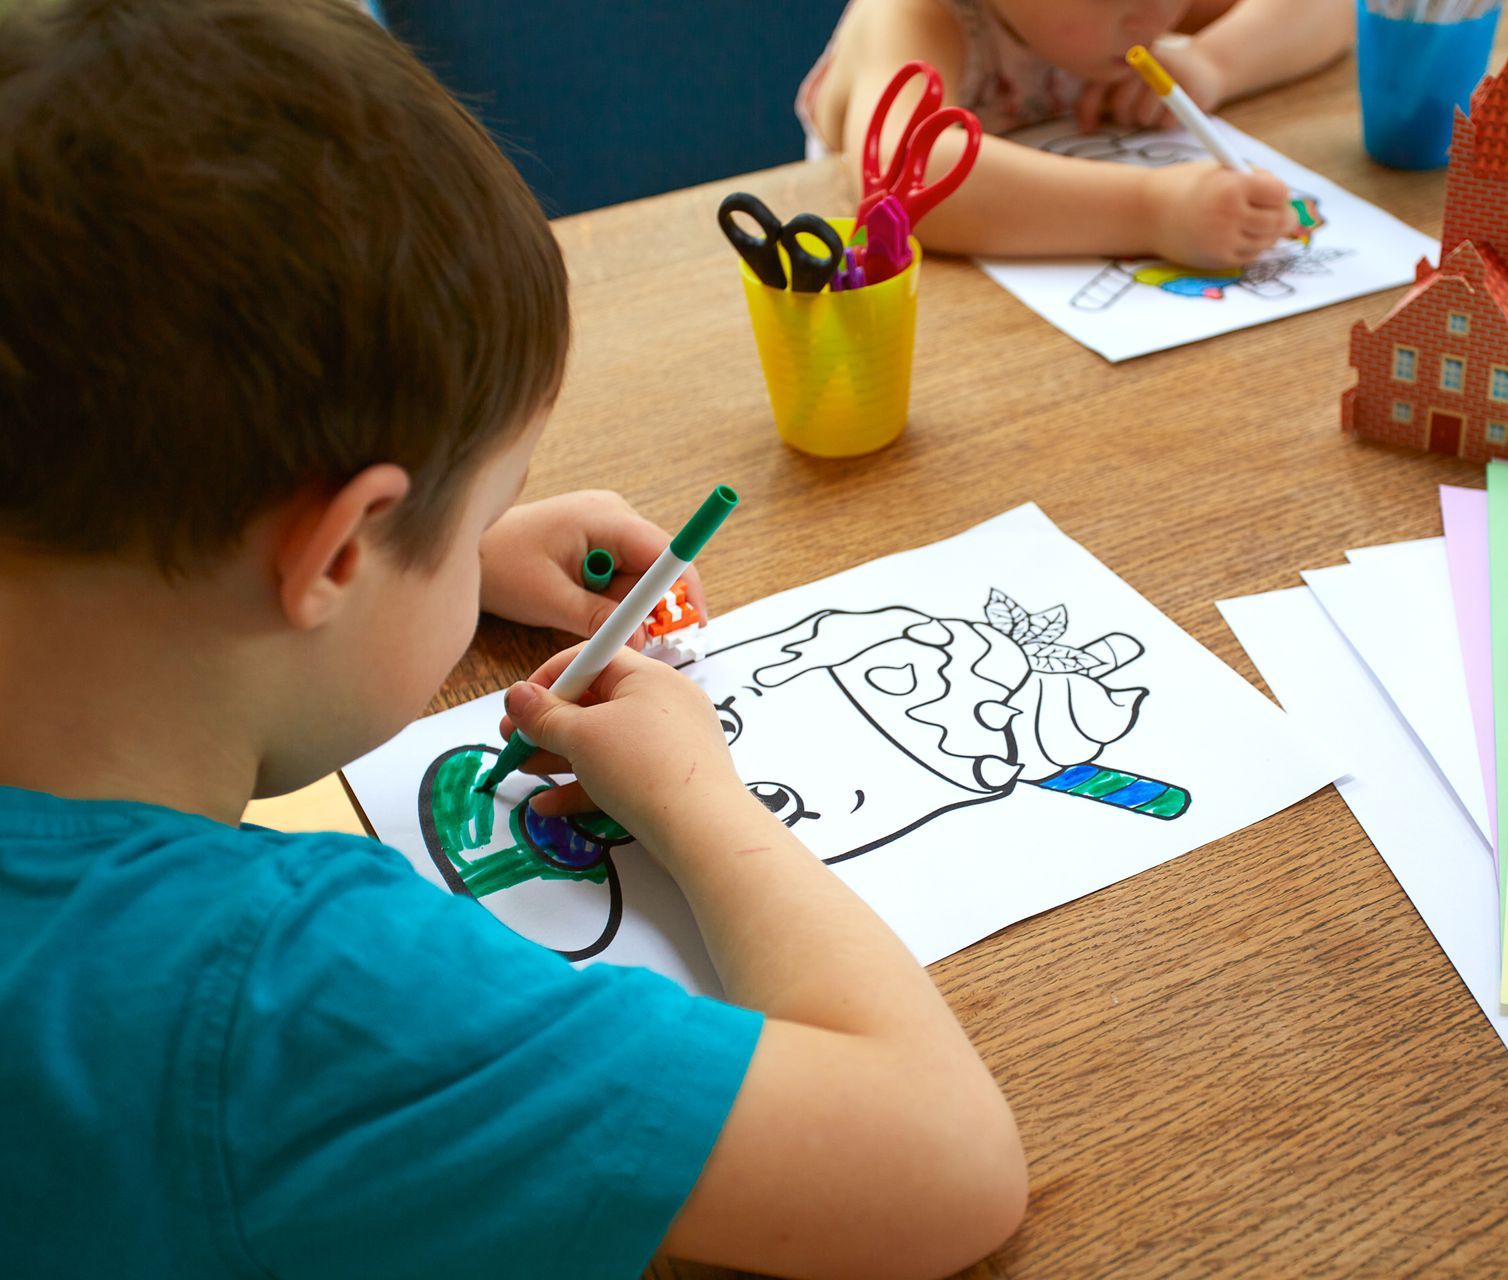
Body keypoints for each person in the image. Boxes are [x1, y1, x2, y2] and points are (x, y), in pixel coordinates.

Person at [0, 2, 1025, 1277]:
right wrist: (699, 796)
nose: (487, 530)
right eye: (483, 501)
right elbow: (943, 1164)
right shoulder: (284, 998)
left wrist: (446, 554)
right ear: (333, 551)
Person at [799, 0, 1353, 266]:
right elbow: (903, 180)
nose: (1155, 21)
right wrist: (1154, 211)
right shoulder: (917, 13)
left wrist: (1214, 63)